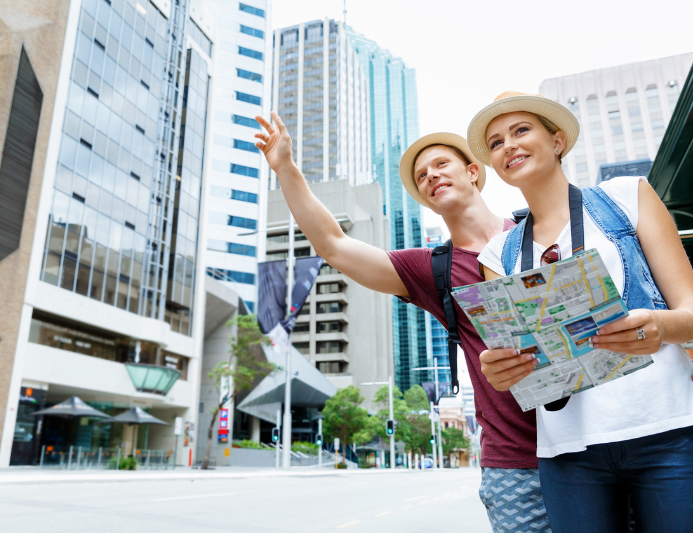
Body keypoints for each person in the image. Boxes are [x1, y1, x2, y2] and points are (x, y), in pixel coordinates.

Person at [254, 111, 552, 532]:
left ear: (472, 172)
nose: (431, 175)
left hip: (594, 443)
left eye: (441, 165)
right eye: (422, 175)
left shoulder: (543, 231)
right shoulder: (432, 270)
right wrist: (285, 166)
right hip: (515, 464)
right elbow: (334, 245)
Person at [469, 91, 693, 533]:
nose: (508, 145)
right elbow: (515, 361)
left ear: (557, 141)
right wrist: (500, 370)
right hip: (568, 453)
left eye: (520, 130)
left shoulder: (628, 196)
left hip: (668, 431)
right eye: (496, 143)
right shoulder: (498, 254)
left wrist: (659, 326)